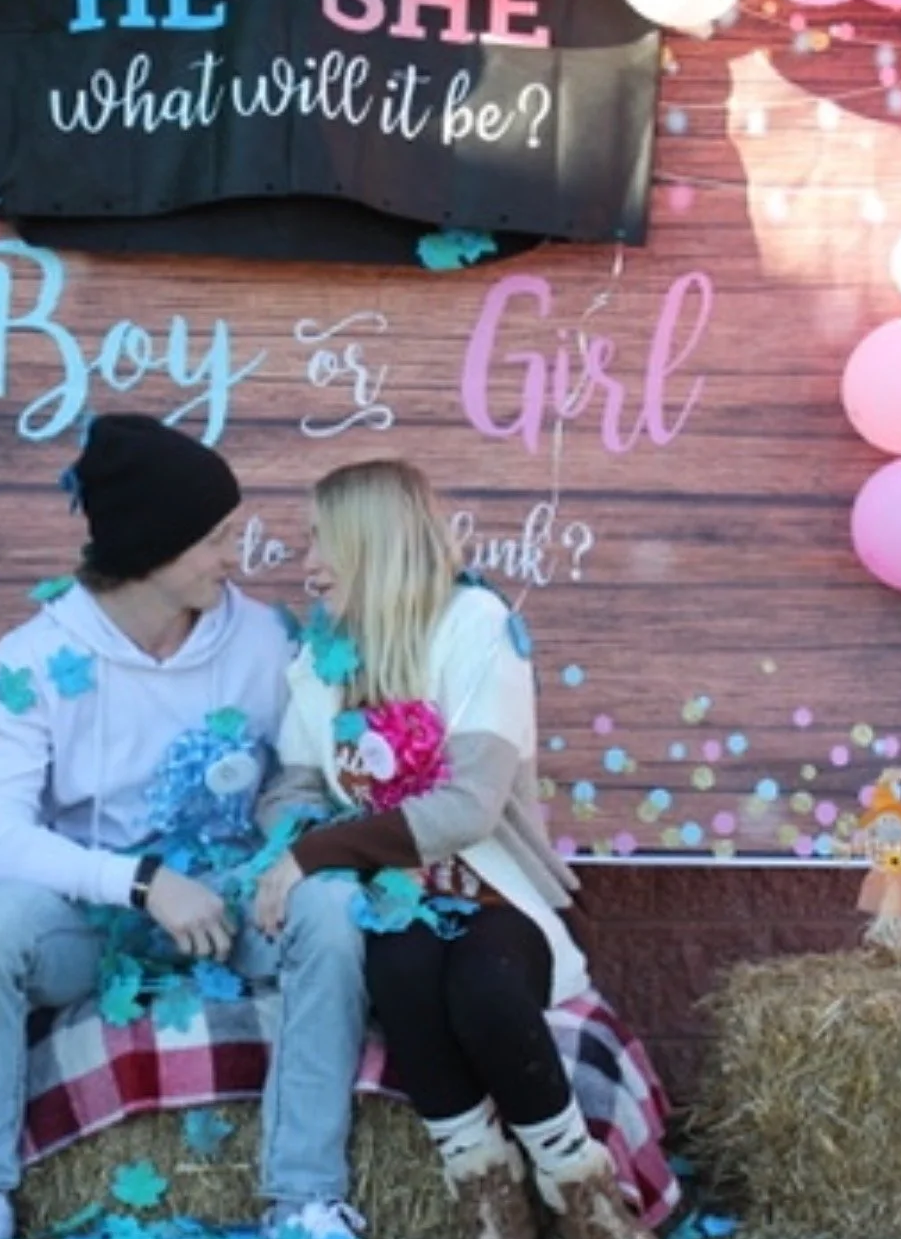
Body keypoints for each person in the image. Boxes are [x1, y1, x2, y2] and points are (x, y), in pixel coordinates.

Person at [0, 415, 368, 1239]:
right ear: (149, 547)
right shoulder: (35, 657)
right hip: (94, 919)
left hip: (235, 908)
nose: (231, 557)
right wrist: (140, 883)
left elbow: (314, 776)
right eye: (213, 539)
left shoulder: (269, 641)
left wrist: (291, 852)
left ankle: (303, 1198)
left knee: (335, 910)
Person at [253, 460, 655, 1239]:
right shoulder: (316, 659)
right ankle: (484, 1191)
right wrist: (305, 838)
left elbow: (468, 806)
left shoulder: (475, 627)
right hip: (388, 897)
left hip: (489, 892)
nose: (308, 564)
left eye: (320, 541)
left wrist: (311, 855)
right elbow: (291, 789)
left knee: (485, 994)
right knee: (401, 969)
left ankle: (582, 1192)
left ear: (372, 540)